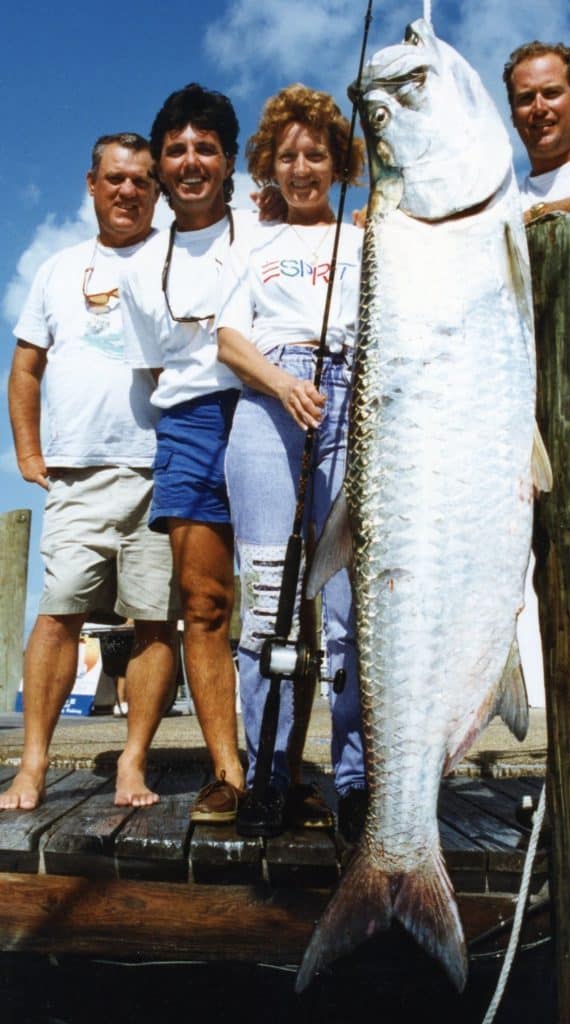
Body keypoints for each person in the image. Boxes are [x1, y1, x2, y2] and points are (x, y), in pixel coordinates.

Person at [1, 133, 179, 812]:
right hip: (76, 473)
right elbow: (25, 367)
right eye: (115, 178)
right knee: (57, 616)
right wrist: (26, 451)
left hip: (162, 468)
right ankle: (33, 763)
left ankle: (133, 762)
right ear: (91, 183)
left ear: (157, 189)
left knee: (155, 622)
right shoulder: (57, 269)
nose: (127, 190)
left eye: (140, 180)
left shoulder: (178, 258)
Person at [216, 83, 367, 840]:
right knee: (270, 606)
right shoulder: (253, 241)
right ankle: (269, 777)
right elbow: (227, 339)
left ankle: (356, 781)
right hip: (270, 406)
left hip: (353, 407)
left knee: (348, 613)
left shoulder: (370, 238)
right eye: (287, 156)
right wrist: (281, 383)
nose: (302, 168)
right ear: (268, 167)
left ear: (339, 161)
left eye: (316, 154)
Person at [120, 85, 260, 824]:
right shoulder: (141, 268)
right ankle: (227, 770)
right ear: (160, 164)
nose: (191, 160)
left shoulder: (268, 228)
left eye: (206, 146)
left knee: (287, 601)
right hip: (189, 426)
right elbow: (152, 372)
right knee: (204, 604)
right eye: (176, 148)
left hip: (270, 414)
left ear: (231, 159)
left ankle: (288, 767)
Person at [503, 41, 570, 223]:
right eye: (526, 98)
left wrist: (544, 212)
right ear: (513, 116)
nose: (539, 108)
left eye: (551, 93)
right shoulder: (506, 209)